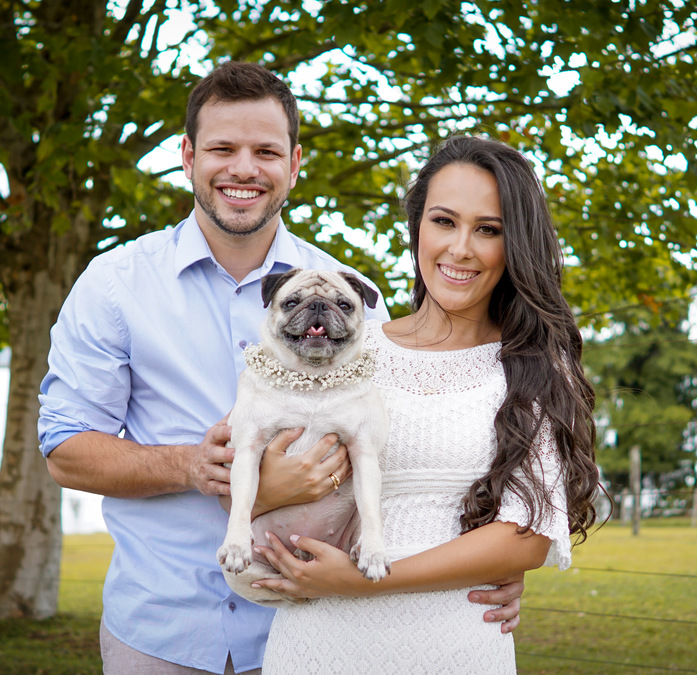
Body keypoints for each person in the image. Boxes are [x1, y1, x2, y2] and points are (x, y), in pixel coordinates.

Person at [37, 62, 524, 675]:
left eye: (266, 150)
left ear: (294, 164)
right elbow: (64, 450)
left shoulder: (352, 300)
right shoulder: (113, 285)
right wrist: (192, 466)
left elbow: (411, 451)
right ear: (187, 156)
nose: (244, 168)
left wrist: (483, 564)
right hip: (161, 631)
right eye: (222, 148)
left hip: (321, 630)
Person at [251, 136, 603, 673]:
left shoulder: (531, 368)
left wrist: (367, 580)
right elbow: (253, 468)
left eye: (488, 230)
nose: (461, 248)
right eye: (444, 221)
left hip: (455, 645)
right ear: (417, 227)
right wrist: (262, 489)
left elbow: (525, 540)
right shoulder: (343, 348)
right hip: (317, 642)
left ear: (517, 245)